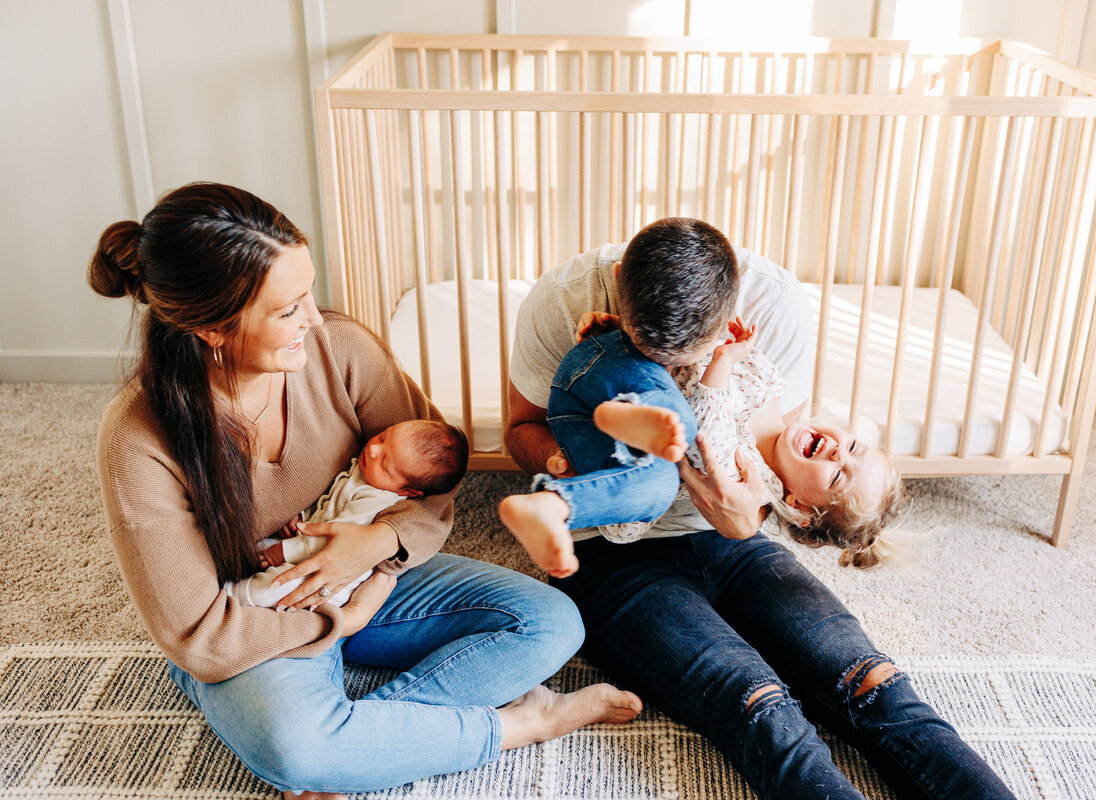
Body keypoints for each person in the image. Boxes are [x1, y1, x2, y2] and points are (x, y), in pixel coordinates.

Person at [89, 182, 641, 800]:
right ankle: (515, 726)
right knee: (298, 746)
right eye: (287, 309)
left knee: (553, 622)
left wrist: (377, 542)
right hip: (256, 616)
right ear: (213, 330)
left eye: (309, 293)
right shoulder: (140, 438)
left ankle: (361, 744)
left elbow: (434, 488)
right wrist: (337, 618)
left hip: (370, 579)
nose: (314, 320)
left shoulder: (341, 349)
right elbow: (199, 636)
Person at [503, 217, 1017, 800]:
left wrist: (750, 519)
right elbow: (521, 430)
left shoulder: (772, 307)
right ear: (621, 282)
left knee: (873, 684)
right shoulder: (562, 301)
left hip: (733, 542)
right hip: (611, 551)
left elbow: (776, 463)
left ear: (728, 317)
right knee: (758, 703)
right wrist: (584, 472)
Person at [498, 312, 899, 579]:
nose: (837, 451)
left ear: (796, 505)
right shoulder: (770, 386)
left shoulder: (747, 477)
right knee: (667, 414)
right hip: (601, 370)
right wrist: (628, 332)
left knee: (652, 486)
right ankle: (629, 408)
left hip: (584, 418)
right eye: (854, 447)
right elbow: (686, 351)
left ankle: (554, 503)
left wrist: (724, 358)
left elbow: (705, 433)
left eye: (837, 475)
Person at [228, 419, 469, 608]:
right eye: (383, 437)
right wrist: (302, 517)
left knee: (277, 588)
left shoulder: (375, 501)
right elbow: (328, 502)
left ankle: (232, 597)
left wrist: (283, 552)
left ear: (407, 491)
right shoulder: (364, 470)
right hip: (305, 546)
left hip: (331, 576)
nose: (373, 449)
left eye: (385, 464)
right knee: (249, 548)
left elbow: (332, 544)